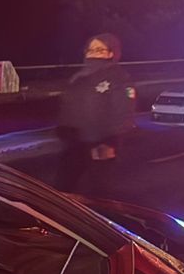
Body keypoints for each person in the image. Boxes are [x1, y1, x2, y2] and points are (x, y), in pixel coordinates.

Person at [55, 32, 135, 196]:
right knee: (63, 188)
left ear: (111, 53)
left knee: (99, 189)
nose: (94, 53)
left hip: (100, 143)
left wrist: (110, 141)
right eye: (90, 50)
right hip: (75, 142)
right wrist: (64, 129)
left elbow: (124, 111)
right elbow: (68, 105)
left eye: (99, 49)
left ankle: (102, 219)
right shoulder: (78, 78)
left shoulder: (119, 78)